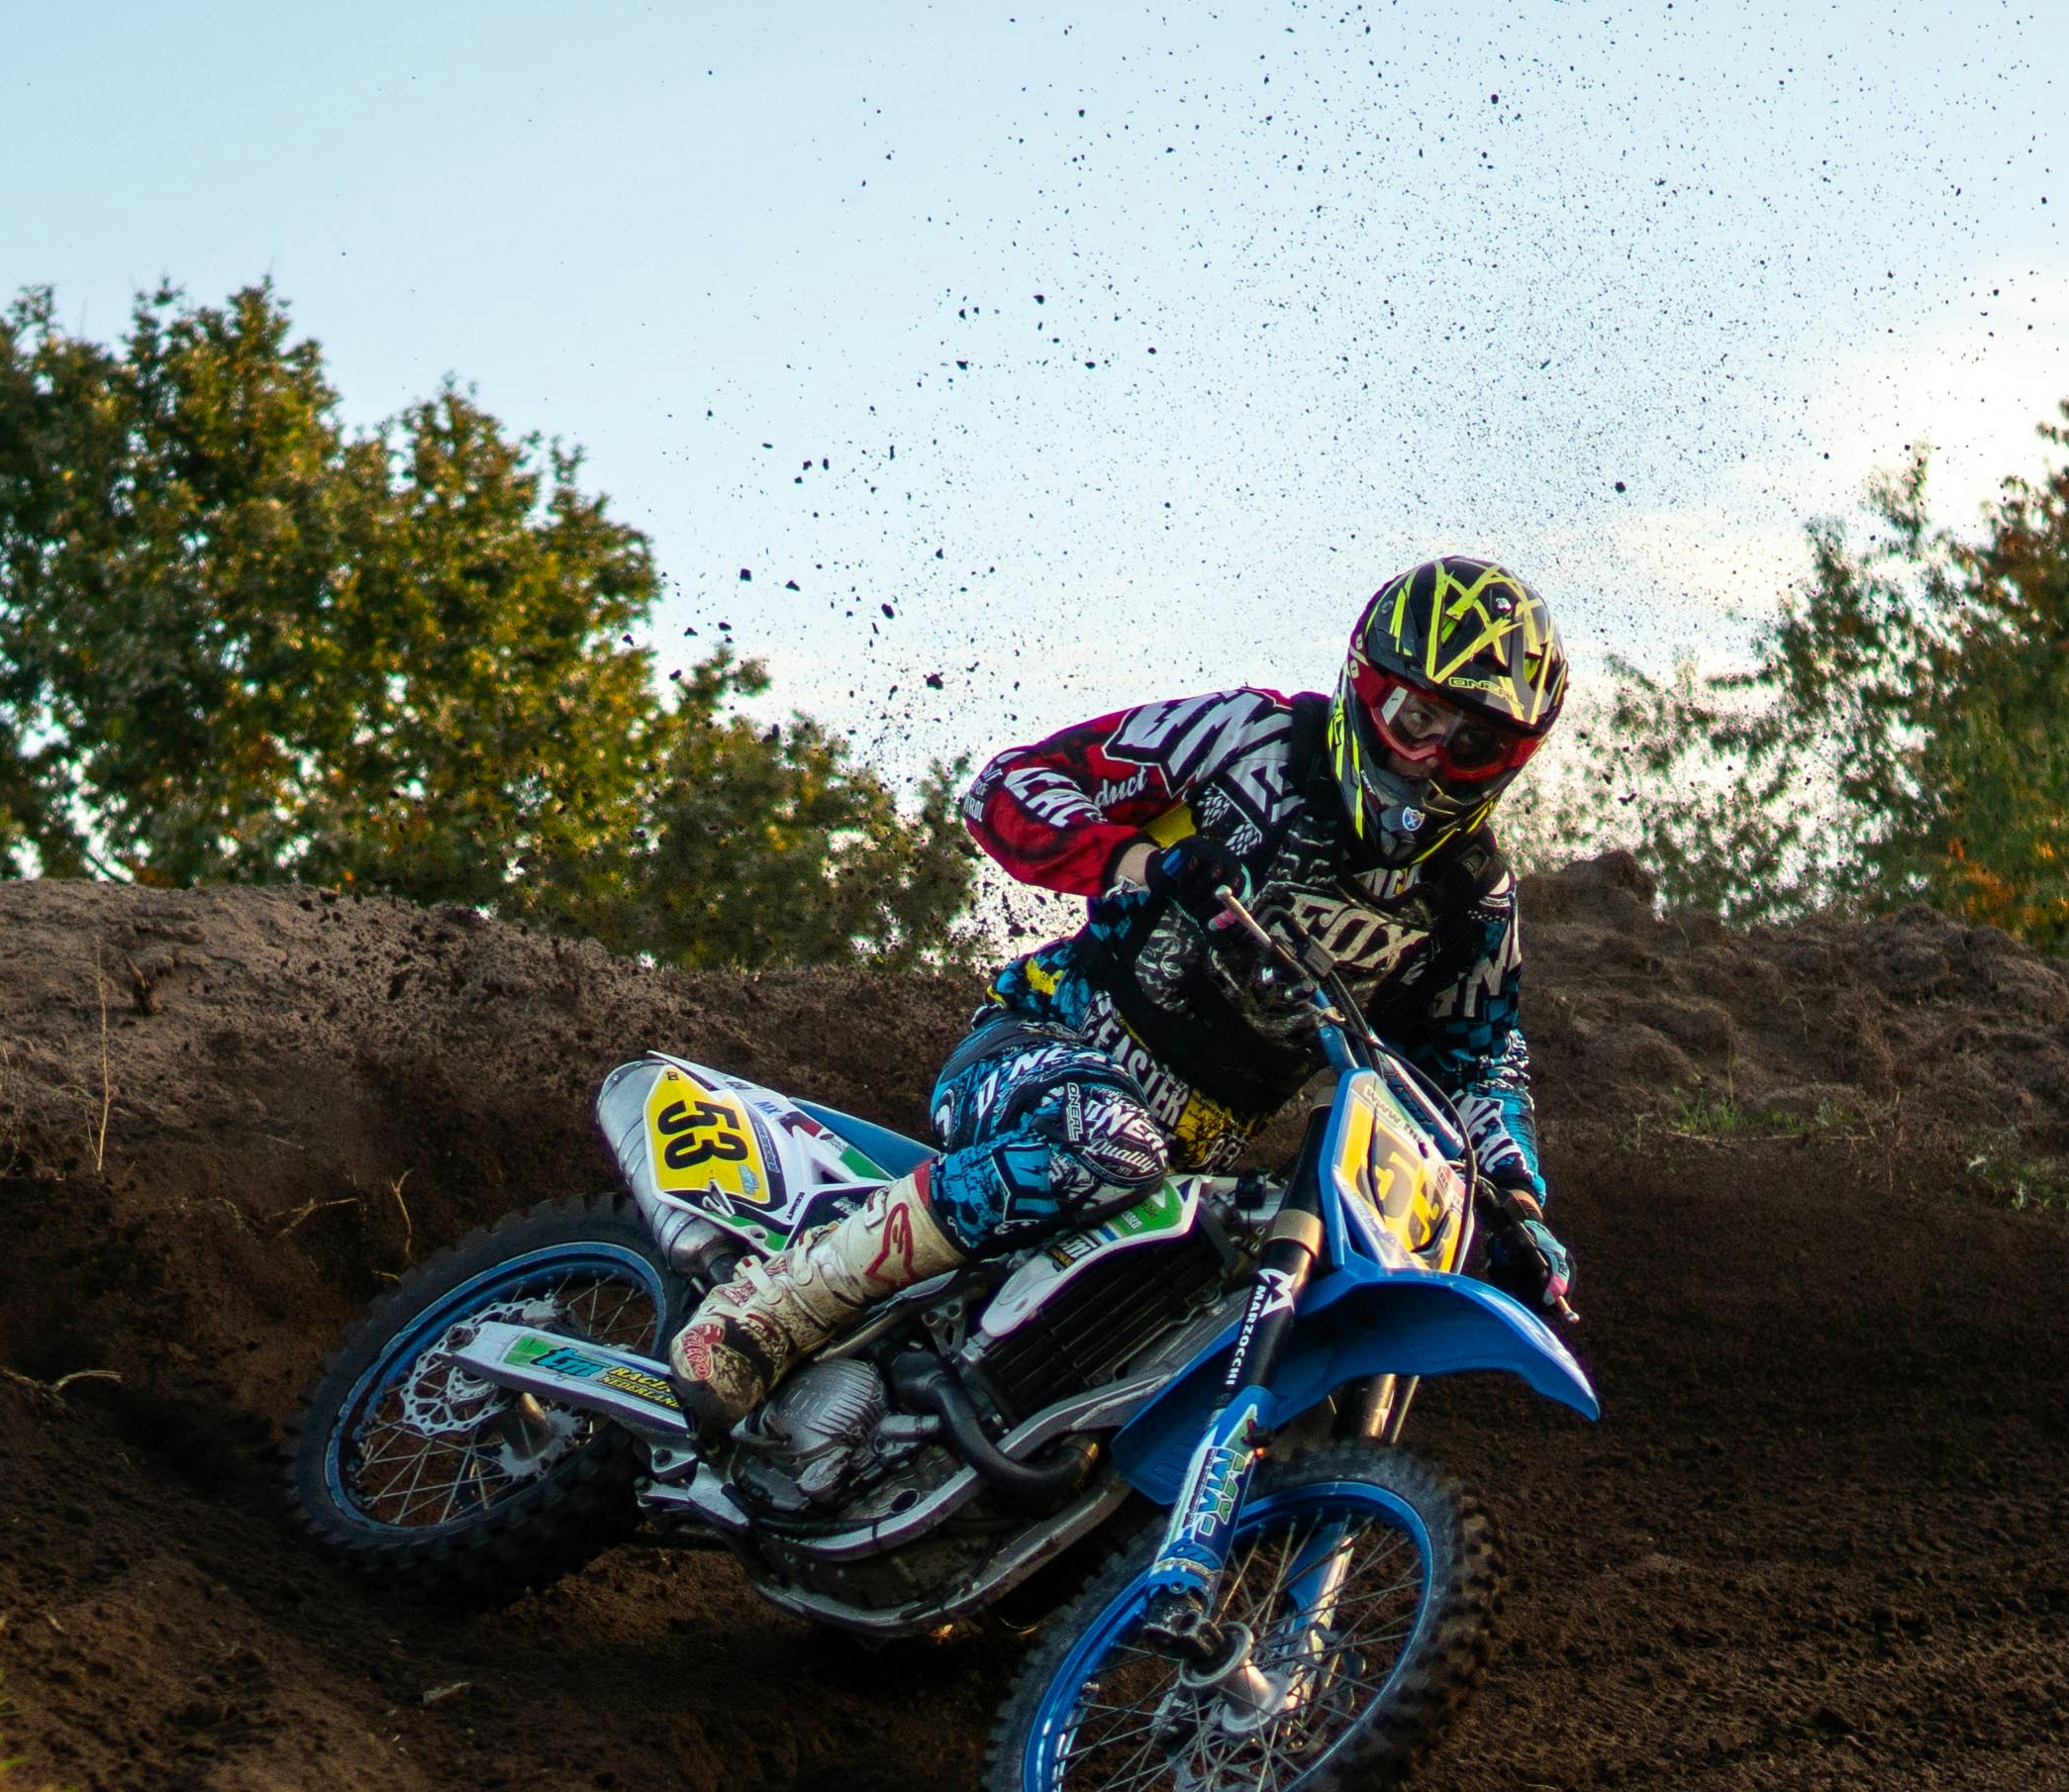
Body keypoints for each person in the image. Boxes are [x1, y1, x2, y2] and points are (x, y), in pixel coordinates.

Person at [667, 555, 1586, 1433]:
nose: (1429, 758)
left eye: (1470, 743)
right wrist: (1140, 862)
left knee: (1242, 1278)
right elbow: (1010, 785)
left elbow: (1478, 1062)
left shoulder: (1471, 896)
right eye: (1415, 718)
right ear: (1363, 684)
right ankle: (767, 1310)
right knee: (1107, 1141)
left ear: (1512, 759)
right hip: (1035, 1047)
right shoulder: (1248, 740)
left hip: (1186, 1165)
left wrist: (1520, 1206)